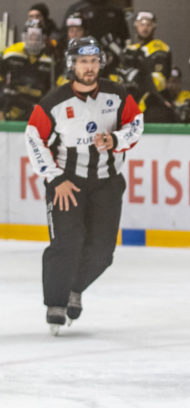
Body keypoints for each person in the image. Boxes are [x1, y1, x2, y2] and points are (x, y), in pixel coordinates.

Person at [23, 35, 143, 334]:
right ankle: (56, 302)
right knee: (66, 243)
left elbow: (136, 124)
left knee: (103, 252)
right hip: (68, 183)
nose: (89, 68)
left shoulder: (117, 94)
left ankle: (74, 287)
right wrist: (56, 178)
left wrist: (115, 139)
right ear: (71, 64)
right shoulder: (54, 101)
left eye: (93, 61)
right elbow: (34, 138)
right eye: (82, 62)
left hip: (107, 183)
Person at [118, 11, 175, 123]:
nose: (145, 28)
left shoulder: (160, 48)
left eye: (148, 25)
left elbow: (159, 81)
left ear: (154, 26)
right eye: (141, 24)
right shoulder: (130, 49)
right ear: (136, 25)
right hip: (132, 99)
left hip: (154, 100)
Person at [0, 21, 54, 122]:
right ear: (24, 37)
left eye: (37, 37)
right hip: (12, 101)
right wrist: (3, 89)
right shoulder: (11, 53)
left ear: (43, 38)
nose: (33, 41)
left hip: (35, 107)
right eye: (30, 37)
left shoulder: (49, 61)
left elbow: (52, 89)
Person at [64, 0, 128, 65]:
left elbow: (125, 37)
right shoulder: (77, 9)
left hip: (112, 56)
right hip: (83, 54)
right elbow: (65, 35)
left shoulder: (116, 10)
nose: (74, 33)